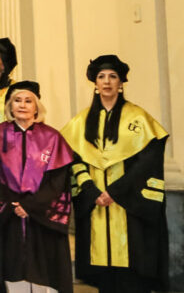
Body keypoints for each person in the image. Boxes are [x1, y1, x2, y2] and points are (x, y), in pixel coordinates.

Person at [61, 55, 169, 293]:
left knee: (132, 277)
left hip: (130, 205)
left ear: (121, 83)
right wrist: (90, 190)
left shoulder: (138, 118)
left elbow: (147, 162)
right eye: (101, 77)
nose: (107, 82)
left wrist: (115, 192)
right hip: (96, 204)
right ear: (95, 83)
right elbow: (73, 161)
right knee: (104, 278)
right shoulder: (81, 122)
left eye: (112, 76)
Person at [0, 81, 74, 293]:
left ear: (37, 107)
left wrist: (30, 205)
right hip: (8, 216)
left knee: (42, 274)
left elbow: (58, 179)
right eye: (17, 100)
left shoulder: (51, 137)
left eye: (28, 101)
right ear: (10, 106)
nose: (22, 105)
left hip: (41, 216)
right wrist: (13, 204)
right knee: (12, 271)